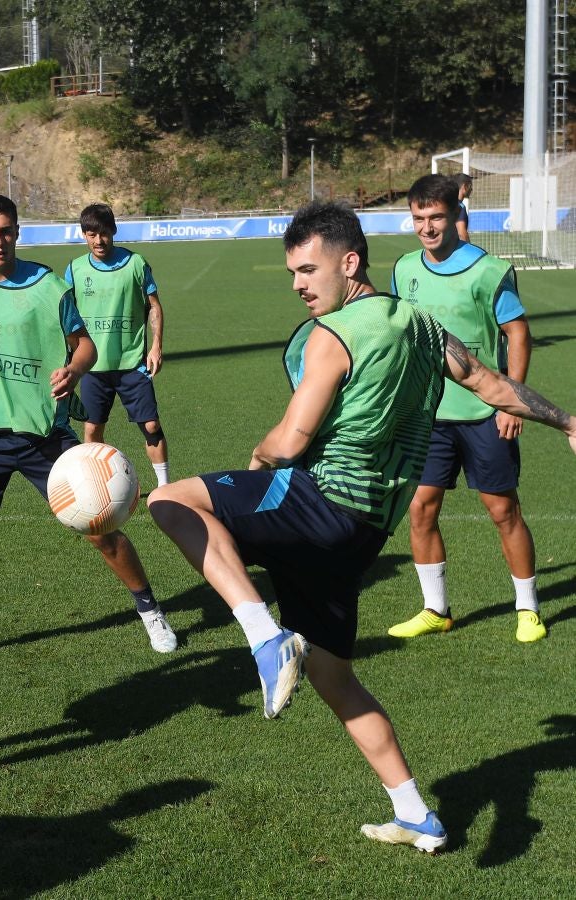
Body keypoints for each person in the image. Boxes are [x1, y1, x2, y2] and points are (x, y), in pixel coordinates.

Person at [146, 201, 576, 853]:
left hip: (320, 503)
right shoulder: (428, 330)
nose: (298, 283)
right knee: (334, 675)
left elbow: (291, 442)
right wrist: (568, 422)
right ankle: (415, 814)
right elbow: (492, 387)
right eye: (293, 272)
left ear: (350, 263)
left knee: (171, 503)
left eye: (309, 269)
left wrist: (259, 458)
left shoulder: (333, 335)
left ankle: (265, 638)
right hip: (362, 535)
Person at [0, 194, 176, 657]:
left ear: (17, 233)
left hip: (45, 436)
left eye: (5, 231)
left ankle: (149, 609)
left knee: (100, 529)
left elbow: (85, 347)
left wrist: (75, 372)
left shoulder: (49, 287)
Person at [389, 174, 544, 642]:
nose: (427, 227)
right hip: (428, 415)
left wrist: (512, 400)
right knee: (421, 509)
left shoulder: (489, 270)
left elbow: (517, 332)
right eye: (418, 218)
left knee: (502, 510)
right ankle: (436, 608)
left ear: (456, 214)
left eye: (435, 216)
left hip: (484, 412)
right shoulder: (403, 269)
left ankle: (528, 608)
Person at [66, 203, 172, 490]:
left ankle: (164, 487)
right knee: (92, 429)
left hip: (131, 364)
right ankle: (96, 487)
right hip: (93, 366)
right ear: (84, 235)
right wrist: (71, 356)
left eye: (103, 233)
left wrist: (156, 347)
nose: (98, 241)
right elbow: (66, 314)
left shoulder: (136, 263)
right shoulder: (75, 269)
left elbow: (154, 306)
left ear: (113, 231)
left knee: (151, 426)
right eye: (91, 234)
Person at [453, 173, 473, 244]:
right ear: (465, 187)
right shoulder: (460, 207)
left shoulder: (448, 204)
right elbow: (461, 234)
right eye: (470, 186)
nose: (471, 189)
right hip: (457, 250)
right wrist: (470, 251)